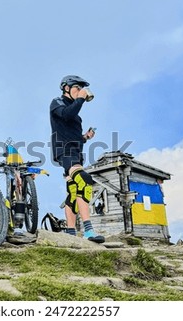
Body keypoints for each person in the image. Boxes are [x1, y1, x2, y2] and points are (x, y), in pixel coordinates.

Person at [49, 75, 105, 243]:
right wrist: (80, 99)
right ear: (66, 88)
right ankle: (88, 230)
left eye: (81, 89)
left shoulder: (76, 114)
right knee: (84, 181)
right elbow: (66, 115)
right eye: (77, 88)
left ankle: (71, 232)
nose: (80, 91)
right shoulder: (57, 102)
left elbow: (72, 133)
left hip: (75, 153)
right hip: (64, 151)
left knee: (73, 190)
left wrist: (85, 137)